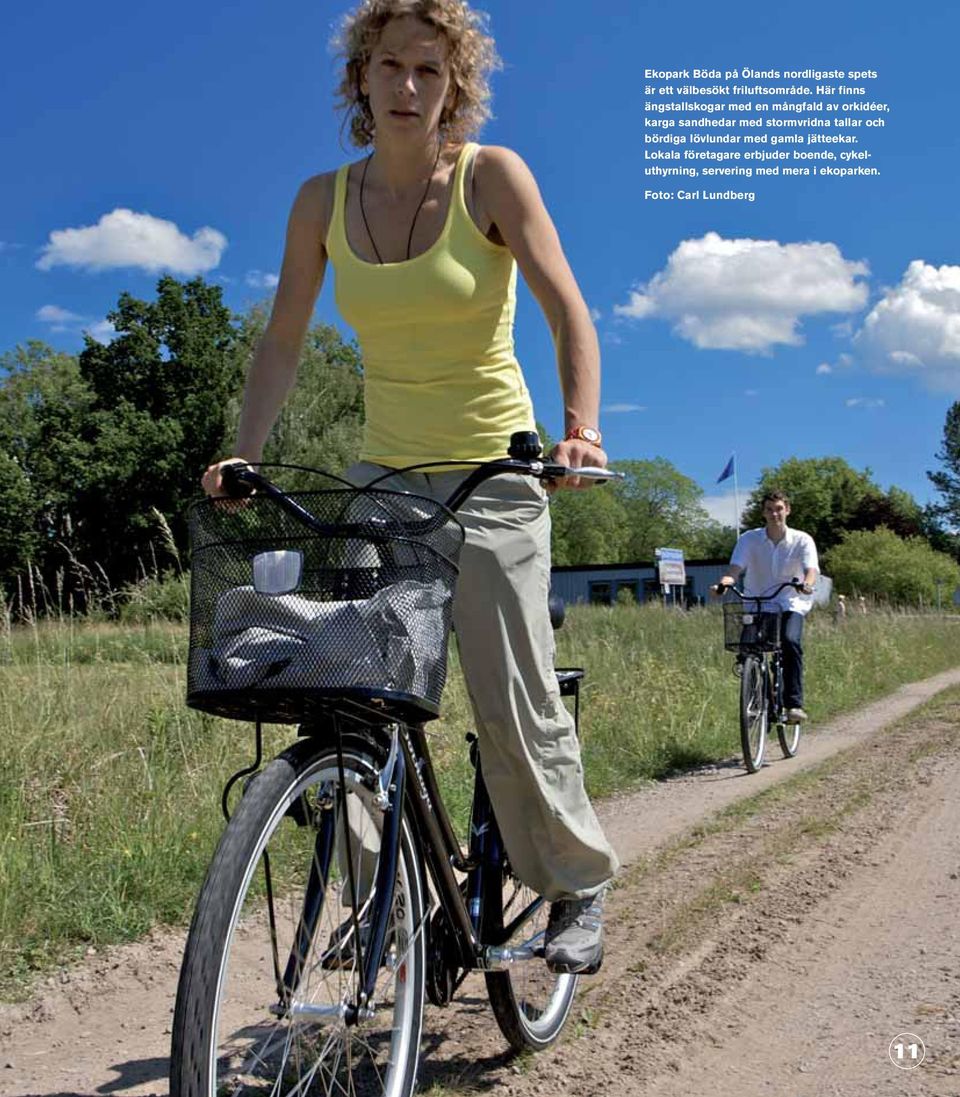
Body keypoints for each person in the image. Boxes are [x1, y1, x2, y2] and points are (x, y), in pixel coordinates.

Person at [201, 0, 618, 974]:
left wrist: (580, 433)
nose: (407, 87)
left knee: (509, 690)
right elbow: (283, 339)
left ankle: (573, 882)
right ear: (361, 80)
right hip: (385, 480)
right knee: (349, 689)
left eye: (430, 71)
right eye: (390, 67)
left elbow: (566, 308)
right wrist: (243, 450)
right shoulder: (322, 201)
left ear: (454, 87)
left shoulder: (492, 178)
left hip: (498, 473)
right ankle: (379, 895)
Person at [717, 490, 819, 722]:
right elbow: (736, 567)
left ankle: (794, 704)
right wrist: (725, 581)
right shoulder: (749, 539)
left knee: (790, 641)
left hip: (790, 601)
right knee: (747, 650)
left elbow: (810, 569)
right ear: (763, 513)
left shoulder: (802, 540)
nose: (775, 514)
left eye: (779, 509)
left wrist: (807, 584)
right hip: (758, 603)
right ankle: (758, 700)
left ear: (787, 510)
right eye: (770, 509)